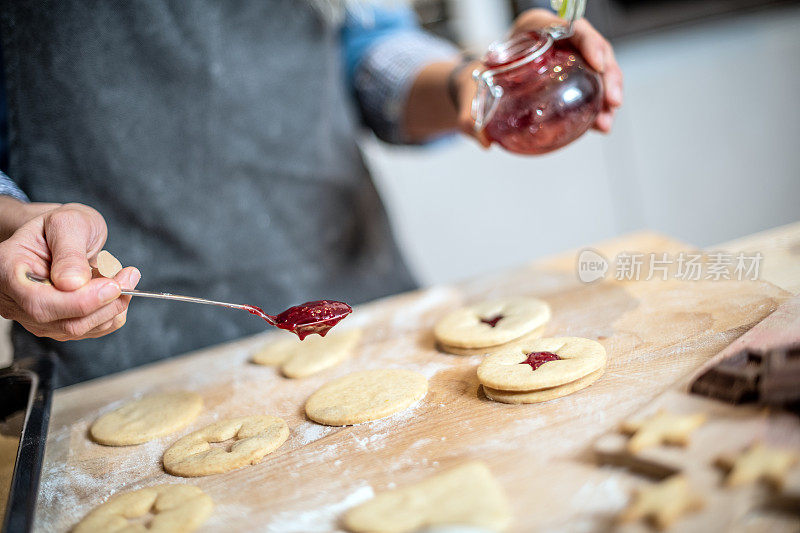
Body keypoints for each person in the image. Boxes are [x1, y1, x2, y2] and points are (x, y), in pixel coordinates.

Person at [0, 2, 622, 387]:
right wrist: (11, 222)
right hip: (110, 336)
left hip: (353, 284)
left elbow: (368, 48)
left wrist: (477, 81)